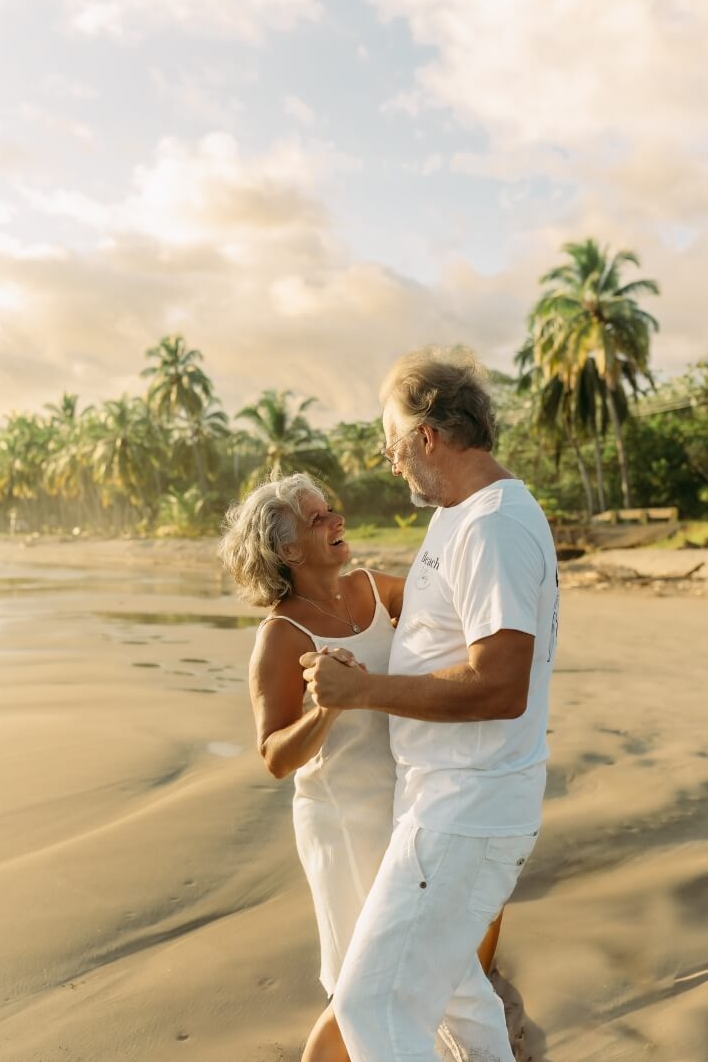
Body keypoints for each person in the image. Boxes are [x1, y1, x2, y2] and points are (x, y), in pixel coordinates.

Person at [301, 347, 559, 1062]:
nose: (389, 460)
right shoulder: (460, 516)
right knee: (457, 1002)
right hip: (444, 804)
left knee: (369, 1008)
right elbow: (437, 620)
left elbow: (501, 684)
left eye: (391, 442)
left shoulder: (495, 525)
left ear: (427, 435)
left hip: (465, 812)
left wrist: (363, 691)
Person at [218, 473, 504, 1062]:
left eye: (331, 510)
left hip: (410, 808)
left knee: (421, 965)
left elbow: (449, 612)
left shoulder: (374, 589)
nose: (335, 521)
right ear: (288, 550)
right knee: (368, 979)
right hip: (343, 823)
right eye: (316, 519)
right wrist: (326, 708)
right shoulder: (280, 635)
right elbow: (274, 755)